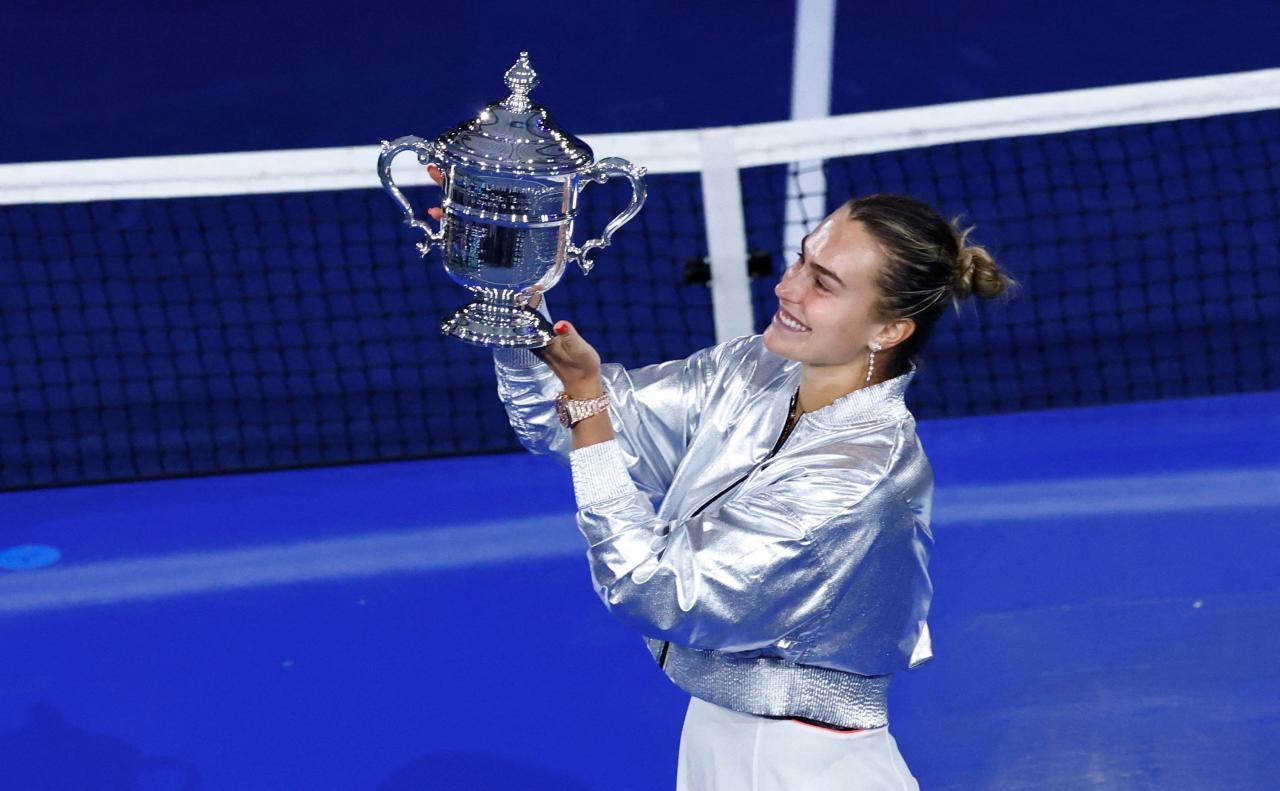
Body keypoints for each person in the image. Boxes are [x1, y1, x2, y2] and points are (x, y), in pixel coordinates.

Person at [490, 190, 1018, 789]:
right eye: (800, 260)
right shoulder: (757, 370)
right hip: (722, 729)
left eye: (824, 283)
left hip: (807, 763)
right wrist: (512, 294)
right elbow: (563, 422)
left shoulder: (859, 477)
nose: (786, 288)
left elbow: (655, 589)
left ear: (889, 329)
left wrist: (588, 405)